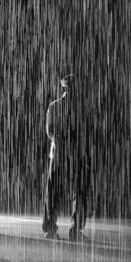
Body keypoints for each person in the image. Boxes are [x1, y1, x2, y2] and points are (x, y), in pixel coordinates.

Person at [42, 74, 90, 241]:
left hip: (59, 154)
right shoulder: (82, 108)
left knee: (53, 190)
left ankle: (50, 226)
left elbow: (50, 131)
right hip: (76, 154)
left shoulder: (54, 106)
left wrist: (60, 141)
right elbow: (87, 132)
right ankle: (76, 228)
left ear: (64, 88)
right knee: (79, 191)